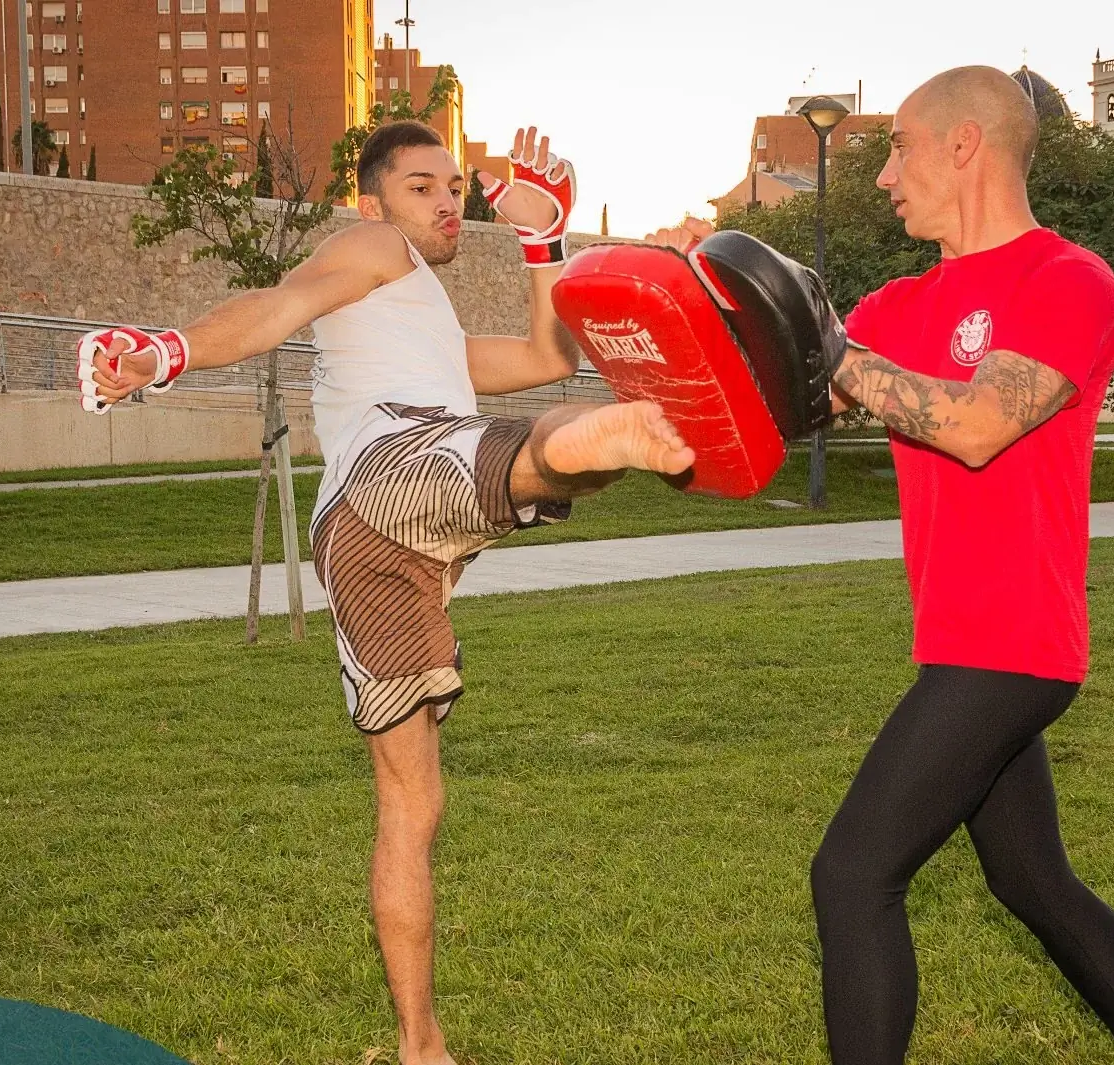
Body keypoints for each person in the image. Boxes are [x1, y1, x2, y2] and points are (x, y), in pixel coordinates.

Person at [79, 121, 694, 1065]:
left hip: (378, 553)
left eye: (455, 185)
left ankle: (419, 1047)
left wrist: (542, 240)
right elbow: (276, 304)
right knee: (548, 453)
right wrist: (167, 352)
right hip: (392, 473)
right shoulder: (369, 249)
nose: (447, 201)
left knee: (413, 806)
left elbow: (544, 355)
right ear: (374, 205)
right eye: (420, 186)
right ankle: (637, 431)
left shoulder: (422, 321)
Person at [654, 66, 1114, 1065]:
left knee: (852, 875)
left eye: (897, 147)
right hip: (959, 641)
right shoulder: (900, 302)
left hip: (1018, 643)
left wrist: (828, 346)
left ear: (963, 146)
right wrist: (693, 338)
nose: (885, 174)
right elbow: (777, 406)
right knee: (1035, 888)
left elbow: (980, 425)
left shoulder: (1067, 282)